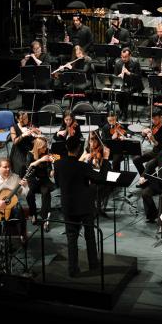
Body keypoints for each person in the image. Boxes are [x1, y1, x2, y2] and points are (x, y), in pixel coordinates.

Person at [54, 136, 102, 277]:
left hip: (68, 206)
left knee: (71, 238)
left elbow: (57, 183)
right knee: (90, 236)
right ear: (79, 149)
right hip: (84, 205)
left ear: (67, 148)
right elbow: (98, 178)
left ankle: (72, 269)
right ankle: (93, 264)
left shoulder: (58, 165)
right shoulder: (83, 166)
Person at [25, 137, 55, 230]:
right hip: (33, 179)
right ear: (38, 147)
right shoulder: (30, 155)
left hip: (43, 180)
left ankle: (45, 217)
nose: (45, 149)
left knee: (46, 193)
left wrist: (52, 171)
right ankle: (33, 213)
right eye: (43, 147)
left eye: (46, 147)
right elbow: (29, 166)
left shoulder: (47, 154)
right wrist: (40, 160)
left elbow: (49, 170)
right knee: (29, 195)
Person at [133, 110, 162, 177]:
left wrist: (153, 140)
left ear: (161, 117)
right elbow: (146, 133)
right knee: (136, 159)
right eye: (152, 119)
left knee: (149, 165)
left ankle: (149, 179)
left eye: (156, 119)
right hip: (155, 151)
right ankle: (147, 179)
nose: (154, 121)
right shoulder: (155, 123)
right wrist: (143, 132)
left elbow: (161, 145)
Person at [113, 47, 143, 119]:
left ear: (130, 56)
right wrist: (118, 76)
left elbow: (139, 77)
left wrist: (129, 73)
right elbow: (114, 76)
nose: (123, 59)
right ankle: (122, 110)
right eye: (122, 57)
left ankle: (124, 113)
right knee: (119, 92)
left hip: (134, 85)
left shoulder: (135, 62)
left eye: (126, 57)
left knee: (126, 92)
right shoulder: (118, 63)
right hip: (122, 84)